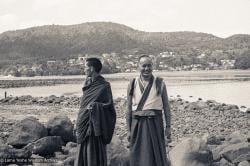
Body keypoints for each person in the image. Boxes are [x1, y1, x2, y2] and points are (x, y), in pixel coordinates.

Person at [126, 55, 171, 166]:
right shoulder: (132, 83)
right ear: (138, 67)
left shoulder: (160, 83)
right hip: (137, 124)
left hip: (155, 123)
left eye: (149, 65)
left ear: (153, 66)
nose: (146, 69)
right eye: (144, 66)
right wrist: (128, 129)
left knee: (156, 153)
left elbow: (166, 107)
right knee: (137, 153)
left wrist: (168, 127)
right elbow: (128, 108)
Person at [74, 57, 116, 166]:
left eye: (85, 67)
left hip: (94, 124)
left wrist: (96, 106)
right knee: (82, 150)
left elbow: (109, 106)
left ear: (91, 68)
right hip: (84, 120)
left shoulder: (104, 86)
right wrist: (77, 121)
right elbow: (83, 105)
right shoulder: (87, 84)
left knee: (93, 150)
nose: (84, 70)